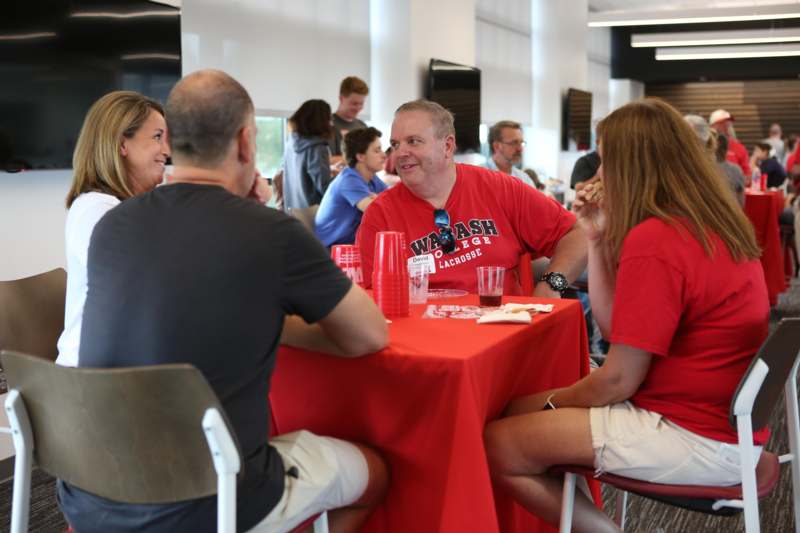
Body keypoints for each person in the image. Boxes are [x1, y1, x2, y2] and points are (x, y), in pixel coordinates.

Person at [60, 70, 389, 533]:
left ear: (175, 140)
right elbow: (370, 336)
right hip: (209, 502)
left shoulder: (115, 223)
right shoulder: (270, 232)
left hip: (91, 488)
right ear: (246, 141)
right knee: (374, 473)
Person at [484, 98, 769, 533]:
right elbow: (619, 331)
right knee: (527, 418)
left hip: (691, 434)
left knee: (499, 439)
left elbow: (617, 380)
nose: (598, 176)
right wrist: (596, 241)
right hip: (726, 427)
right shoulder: (709, 222)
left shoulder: (656, 240)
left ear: (632, 166)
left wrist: (546, 403)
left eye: (605, 163)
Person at [356, 99, 587, 297]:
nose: (400, 153)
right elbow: (369, 296)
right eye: (395, 144)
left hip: (503, 334)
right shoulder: (380, 215)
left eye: (413, 141)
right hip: (428, 340)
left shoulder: (500, 188)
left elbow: (576, 234)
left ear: (447, 146)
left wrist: (550, 286)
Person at [55, 91, 170, 368]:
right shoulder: (96, 211)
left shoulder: (128, 210)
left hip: (119, 370)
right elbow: (143, 285)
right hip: (92, 383)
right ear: (122, 144)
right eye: (157, 137)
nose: (167, 151)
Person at [315, 127, 387, 247]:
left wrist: (378, 199)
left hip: (351, 246)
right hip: (332, 250)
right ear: (360, 157)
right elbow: (374, 210)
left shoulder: (371, 178)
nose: (384, 155)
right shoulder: (348, 179)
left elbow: (394, 199)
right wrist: (380, 200)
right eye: (377, 150)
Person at [282, 99, 334, 210]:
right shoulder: (317, 148)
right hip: (313, 215)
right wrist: (341, 177)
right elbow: (325, 188)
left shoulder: (291, 142)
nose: (331, 123)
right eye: (329, 119)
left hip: (293, 212)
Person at [485, 120, 537, 188]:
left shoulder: (524, 179)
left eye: (521, 143)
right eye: (514, 143)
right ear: (496, 146)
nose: (520, 149)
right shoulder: (477, 176)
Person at [329, 76, 369, 159]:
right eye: (354, 103)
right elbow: (327, 160)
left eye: (361, 103)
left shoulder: (363, 126)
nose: (358, 108)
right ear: (341, 98)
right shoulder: (328, 125)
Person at [709, 108, 751, 177]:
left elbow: (747, 175)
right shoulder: (704, 146)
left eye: (728, 123)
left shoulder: (739, 148)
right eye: (721, 124)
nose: (726, 127)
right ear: (712, 126)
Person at [716, 133, 746, 206]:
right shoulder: (736, 169)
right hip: (731, 211)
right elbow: (741, 201)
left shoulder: (703, 169)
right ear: (726, 150)